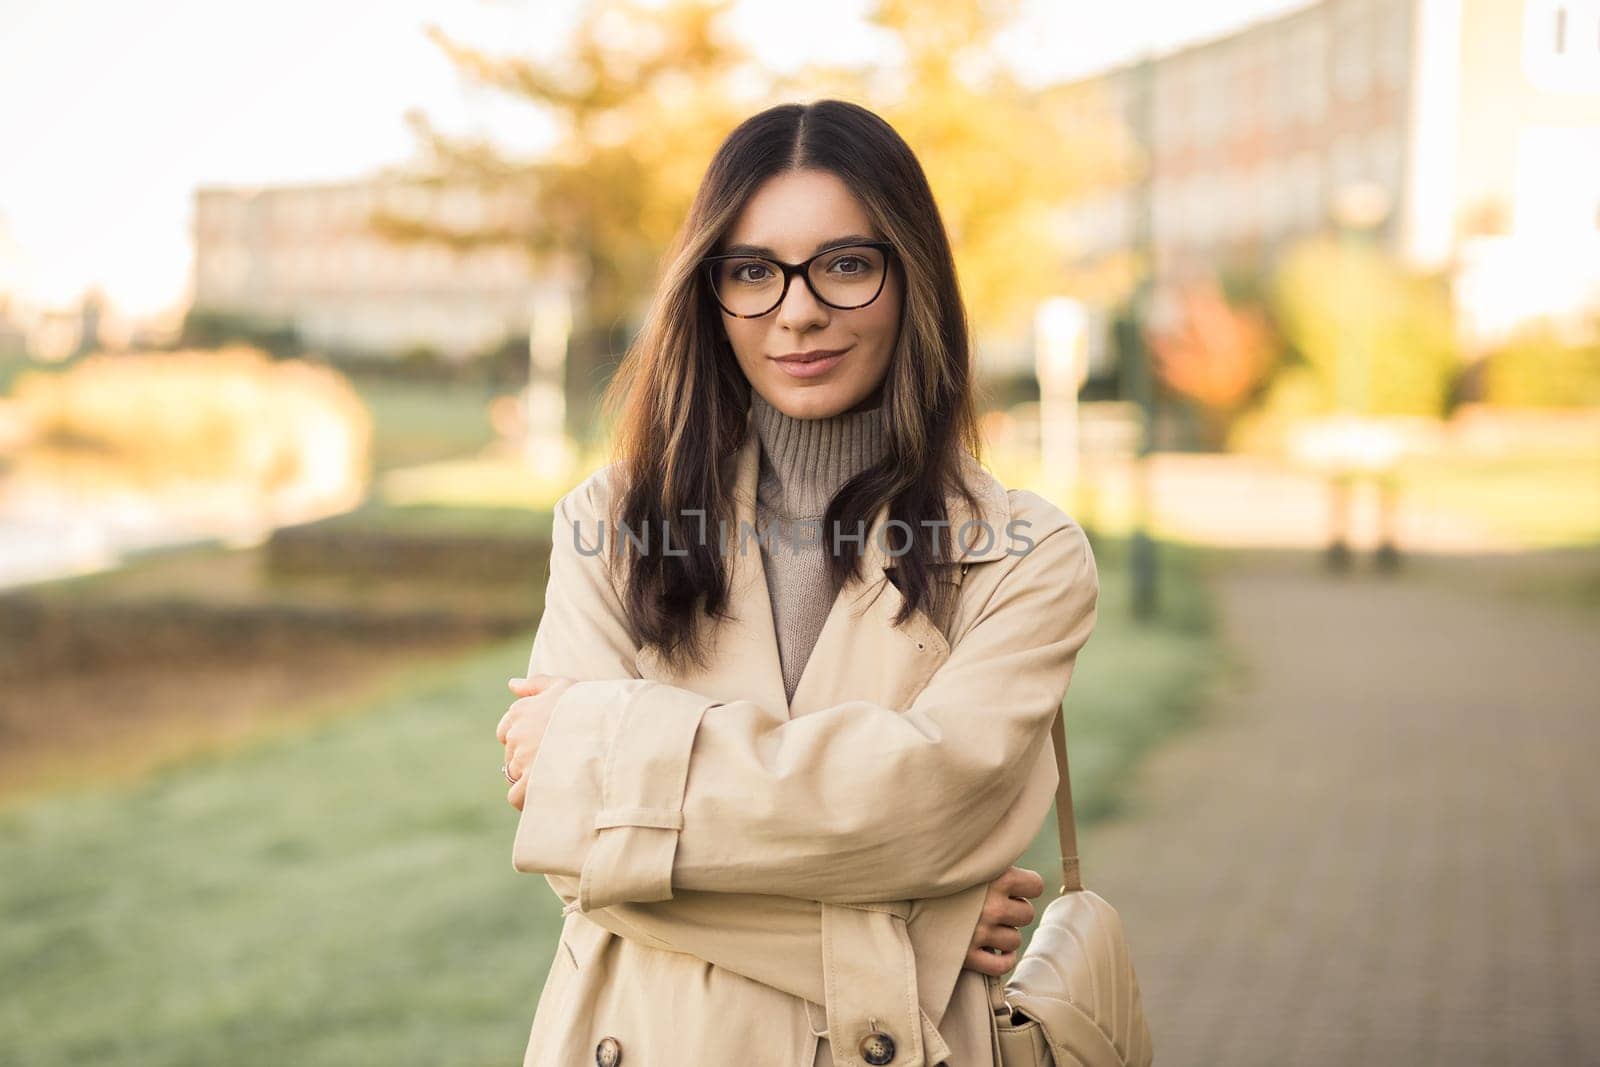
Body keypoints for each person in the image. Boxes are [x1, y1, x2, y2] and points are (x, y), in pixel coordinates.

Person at [496, 99, 1100, 1067]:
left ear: (912, 281)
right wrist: (919, 927)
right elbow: (576, 854)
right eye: (752, 271)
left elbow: (924, 802)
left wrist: (612, 764)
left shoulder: (1024, 555)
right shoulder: (607, 524)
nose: (798, 307)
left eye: (846, 264)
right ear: (711, 292)